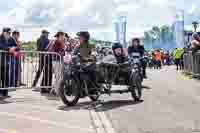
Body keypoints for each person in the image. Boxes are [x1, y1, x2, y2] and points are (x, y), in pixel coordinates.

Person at [0, 28, 18, 98]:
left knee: (6, 78)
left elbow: (16, 46)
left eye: (10, 33)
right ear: (4, 32)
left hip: (6, 61)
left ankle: (5, 93)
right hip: (1, 61)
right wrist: (9, 49)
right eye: (8, 33)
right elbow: (1, 46)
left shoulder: (11, 39)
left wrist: (13, 48)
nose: (9, 34)